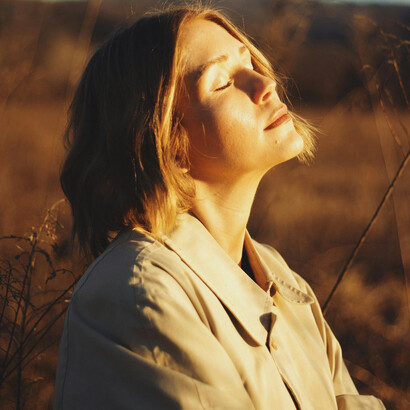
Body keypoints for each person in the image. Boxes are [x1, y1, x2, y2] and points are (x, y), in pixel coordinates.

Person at [54, 4, 385, 409]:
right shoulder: (138, 298)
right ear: (166, 145)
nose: (266, 83)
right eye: (224, 81)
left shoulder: (283, 281)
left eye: (250, 61)